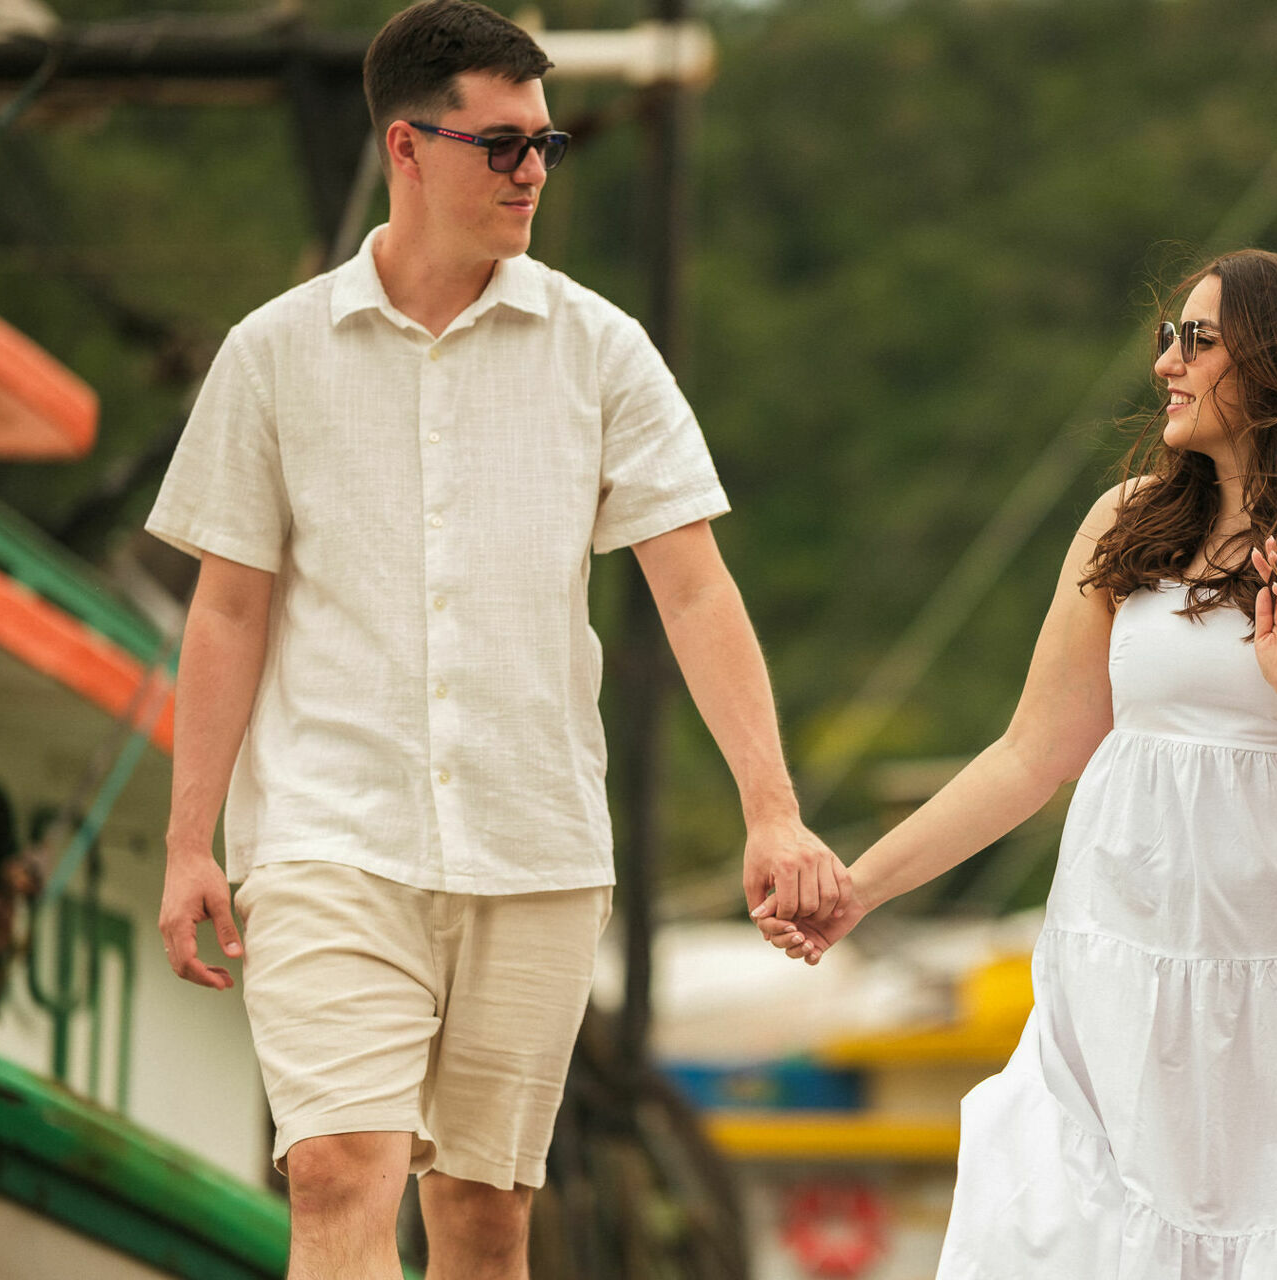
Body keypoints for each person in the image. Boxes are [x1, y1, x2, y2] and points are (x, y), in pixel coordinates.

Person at [148, 3, 850, 1276]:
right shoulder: (272, 355)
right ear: (406, 148)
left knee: (483, 1211)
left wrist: (772, 807)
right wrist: (190, 838)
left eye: (547, 145)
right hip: (328, 832)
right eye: (503, 144)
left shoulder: (601, 350)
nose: (532, 172)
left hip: (535, 842)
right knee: (339, 1168)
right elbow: (229, 606)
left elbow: (693, 590)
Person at [756, 249, 1277, 1276]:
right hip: (1130, 993)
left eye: (1197, 338)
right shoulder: (1126, 529)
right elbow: (1029, 756)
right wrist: (859, 887)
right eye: (1169, 336)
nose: (1166, 362)